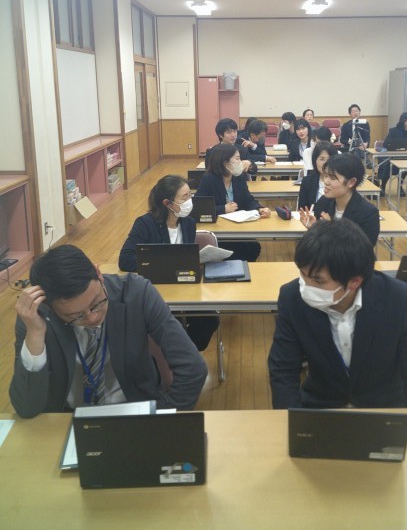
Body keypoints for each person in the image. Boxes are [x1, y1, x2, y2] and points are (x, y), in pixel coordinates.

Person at [9, 245, 208, 419]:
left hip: (135, 412)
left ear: (99, 274)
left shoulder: (136, 293)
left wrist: (164, 418)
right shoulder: (35, 317)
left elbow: (193, 367)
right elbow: (26, 408)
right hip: (67, 419)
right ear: (49, 307)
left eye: (97, 303)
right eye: (76, 316)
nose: (92, 317)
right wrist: (35, 334)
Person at [268, 219, 407, 409]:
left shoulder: (400, 300)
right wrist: (293, 421)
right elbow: (283, 370)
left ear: (354, 282)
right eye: (303, 275)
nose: (306, 287)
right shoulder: (292, 297)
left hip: (384, 409)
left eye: (318, 280)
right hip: (321, 408)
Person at [118, 175, 219, 350]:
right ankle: (176, 355)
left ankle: (183, 352)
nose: (190, 201)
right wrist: (167, 263)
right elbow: (125, 259)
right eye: (184, 197)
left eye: (190, 195)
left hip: (184, 286)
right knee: (171, 325)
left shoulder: (188, 223)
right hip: (155, 290)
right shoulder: (145, 224)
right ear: (167, 203)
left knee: (210, 319)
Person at [195, 143, 271, 261]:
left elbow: (248, 199)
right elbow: (199, 208)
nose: (241, 162)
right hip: (218, 230)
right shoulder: (208, 179)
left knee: (254, 247)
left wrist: (259, 208)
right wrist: (223, 209)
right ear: (225, 163)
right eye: (237, 159)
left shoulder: (238, 177)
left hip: (238, 226)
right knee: (240, 251)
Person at [299, 153, 379, 246]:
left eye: (333, 178)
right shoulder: (323, 202)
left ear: (351, 182)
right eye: (326, 175)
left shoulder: (368, 213)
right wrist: (314, 228)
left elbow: (363, 250)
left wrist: (332, 230)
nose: (326, 182)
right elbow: (320, 246)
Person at [377, 112, 407, 197]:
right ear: (404, 120)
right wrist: (398, 144)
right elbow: (386, 144)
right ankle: (383, 186)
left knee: (406, 166)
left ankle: (400, 186)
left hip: (405, 158)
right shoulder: (393, 130)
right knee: (387, 165)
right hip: (393, 157)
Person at [298, 141, 337, 209]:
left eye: (329, 159)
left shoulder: (339, 182)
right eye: (322, 159)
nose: (325, 163)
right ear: (315, 160)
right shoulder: (307, 181)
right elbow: (302, 209)